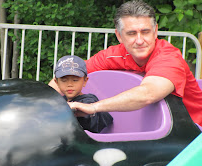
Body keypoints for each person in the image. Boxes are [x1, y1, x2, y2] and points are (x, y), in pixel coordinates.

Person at [49, 0, 202, 127]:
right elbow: (70, 74)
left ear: (155, 31)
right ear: (119, 35)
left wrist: (93, 107)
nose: (140, 40)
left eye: (145, 32)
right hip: (161, 132)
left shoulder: (168, 57)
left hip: (194, 135)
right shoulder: (113, 54)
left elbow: (148, 93)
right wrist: (42, 107)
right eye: (131, 33)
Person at [53, 55, 113, 133]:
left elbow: (93, 119)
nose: (69, 84)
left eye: (75, 80)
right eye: (64, 80)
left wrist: (82, 111)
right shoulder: (58, 101)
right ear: (56, 82)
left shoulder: (89, 100)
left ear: (85, 81)